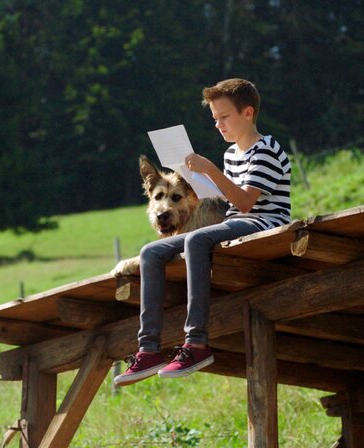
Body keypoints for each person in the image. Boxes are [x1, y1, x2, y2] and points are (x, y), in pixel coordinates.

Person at [114, 78, 292, 386]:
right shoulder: (232, 154)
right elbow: (230, 202)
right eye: (214, 119)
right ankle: (149, 349)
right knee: (150, 252)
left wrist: (209, 170)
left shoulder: (267, 150)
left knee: (197, 238)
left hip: (265, 222)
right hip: (234, 223)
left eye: (224, 117)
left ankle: (196, 343)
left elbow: (246, 203)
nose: (218, 125)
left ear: (248, 113)